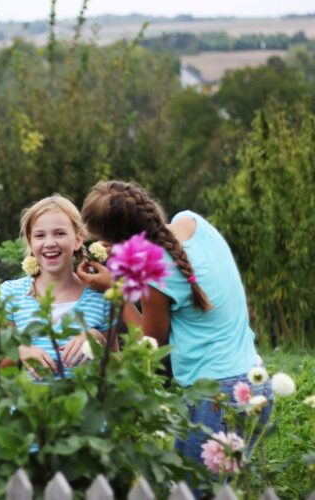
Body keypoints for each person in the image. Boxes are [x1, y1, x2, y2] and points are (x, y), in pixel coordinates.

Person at [77, 180, 272, 464]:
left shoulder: (155, 275)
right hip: (255, 382)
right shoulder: (192, 222)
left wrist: (116, 289)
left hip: (215, 399)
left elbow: (150, 344)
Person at [0, 195, 115, 380]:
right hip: (30, 407)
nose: (50, 242)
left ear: (77, 240)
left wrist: (98, 338)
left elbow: (116, 367)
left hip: (84, 407)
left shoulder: (100, 297)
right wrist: (19, 350)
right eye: (40, 235)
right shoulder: (10, 294)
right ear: (30, 242)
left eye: (59, 233)